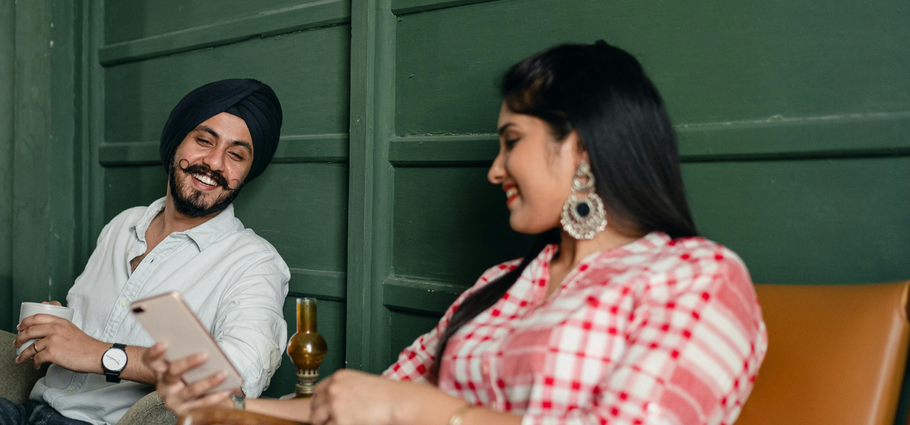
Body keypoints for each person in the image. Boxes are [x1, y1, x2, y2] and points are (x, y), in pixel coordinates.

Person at [146, 42, 768, 425]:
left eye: (512, 142)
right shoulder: (504, 285)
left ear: (580, 145)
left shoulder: (696, 278)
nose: (495, 169)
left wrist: (432, 413)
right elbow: (359, 405)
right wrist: (225, 406)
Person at [0, 78, 291, 425]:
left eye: (236, 154)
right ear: (177, 143)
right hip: (29, 414)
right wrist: (58, 328)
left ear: (247, 173)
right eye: (204, 140)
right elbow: (83, 330)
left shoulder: (254, 262)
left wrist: (102, 353)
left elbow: (236, 378)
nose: (214, 163)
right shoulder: (124, 225)